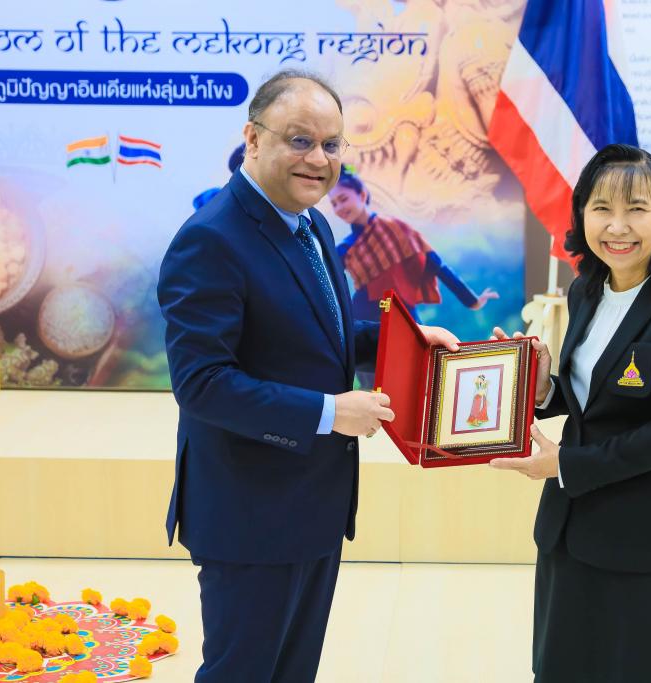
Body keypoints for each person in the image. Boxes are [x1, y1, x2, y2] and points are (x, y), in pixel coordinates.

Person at [157, 69, 460, 682]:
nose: (318, 160)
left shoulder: (310, 222)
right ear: (252, 138)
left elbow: (319, 332)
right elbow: (203, 383)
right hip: (249, 513)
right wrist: (330, 412)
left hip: (313, 504)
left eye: (331, 144)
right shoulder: (211, 240)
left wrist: (401, 341)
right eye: (299, 140)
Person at [489, 144, 651, 682]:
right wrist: (542, 385)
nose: (618, 226)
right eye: (601, 209)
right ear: (582, 215)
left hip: (648, 539)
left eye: (636, 209)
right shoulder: (587, 291)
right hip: (570, 531)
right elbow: (592, 399)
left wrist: (566, 465)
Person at [328, 168, 497, 386]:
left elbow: (434, 263)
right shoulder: (344, 249)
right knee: (374, 389)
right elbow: (331, 287)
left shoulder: (396, 229)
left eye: (343, 199)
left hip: (402, 313)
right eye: (334, 204)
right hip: (365, 323)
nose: (339, 208)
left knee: (421, 378)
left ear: (361, 194)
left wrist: (471, 300)